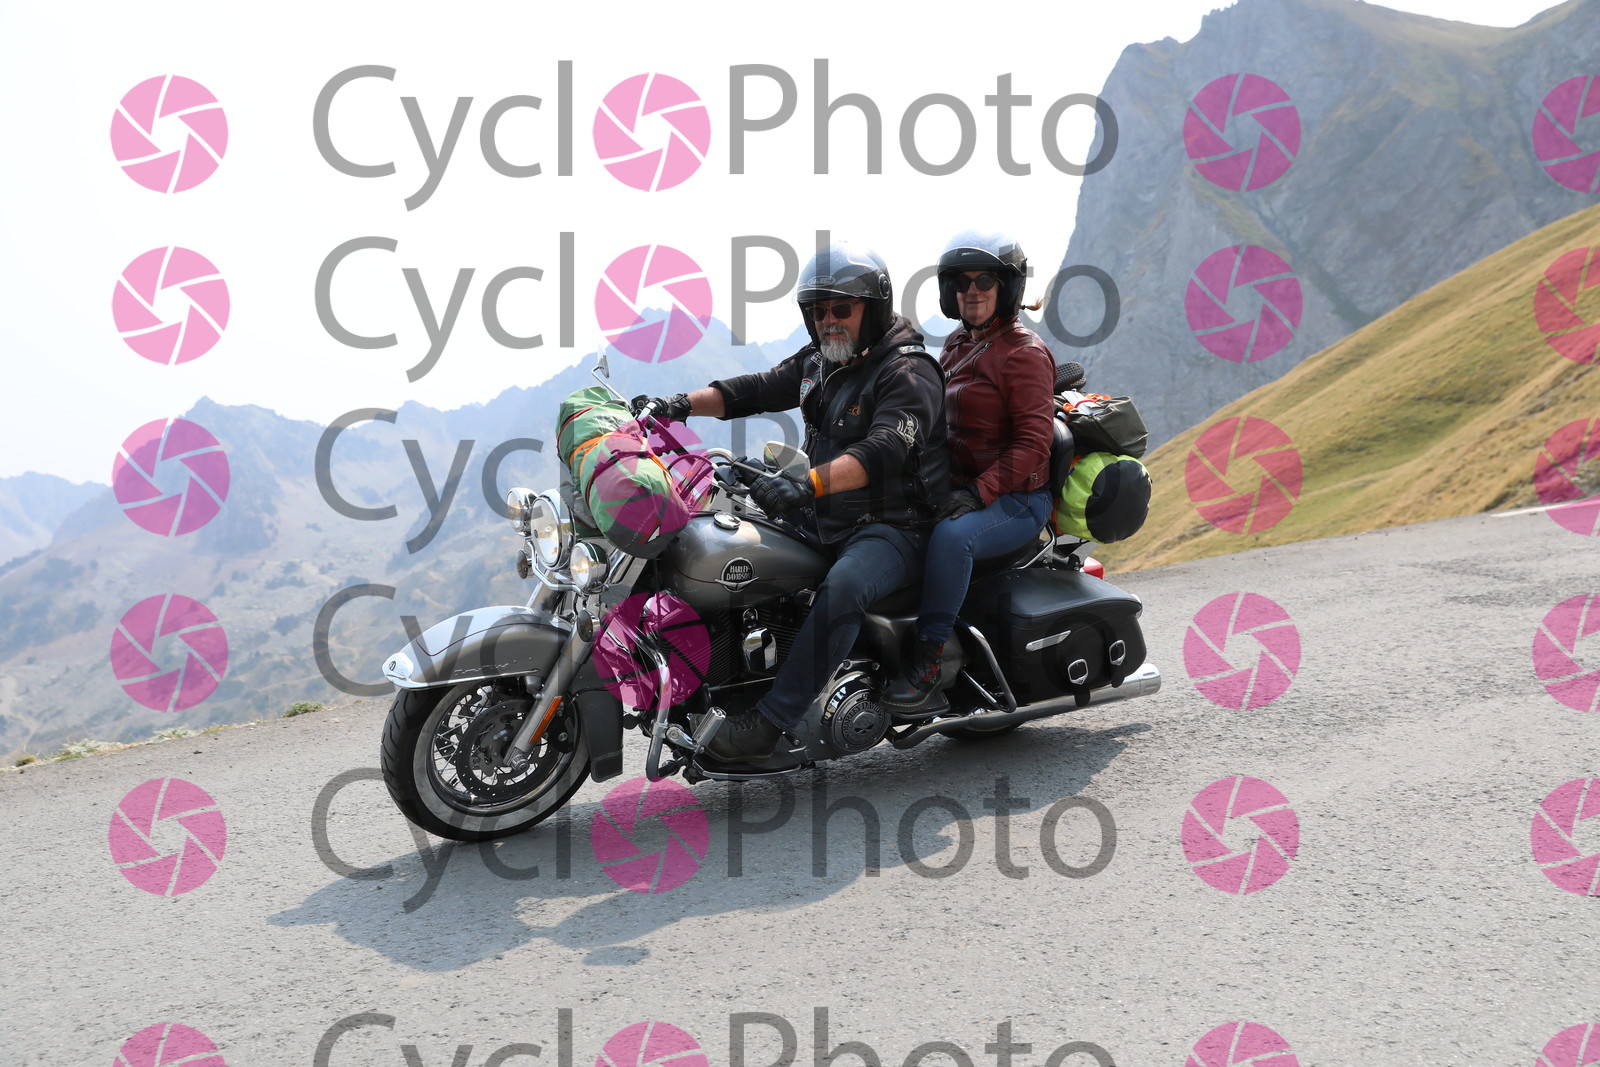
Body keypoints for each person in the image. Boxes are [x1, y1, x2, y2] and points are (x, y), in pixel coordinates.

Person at [631, 241, 950, 765]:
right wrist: (678, 405)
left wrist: (808, 485)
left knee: (845, 586)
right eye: (818, 311)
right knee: (727, 541)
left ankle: (770, 722)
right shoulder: (820, 362)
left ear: (874, 308)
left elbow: (886, 448)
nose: (828, 321)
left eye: (841, 309)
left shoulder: (907, 372)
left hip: (896, 527)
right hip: (826, 514)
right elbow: (754, 390)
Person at [881, 231, 1056, 708]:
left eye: (984, 281)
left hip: (1017, 498)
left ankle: (928, 661)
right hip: (962, 485)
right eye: (961, 283)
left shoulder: (1024, 354)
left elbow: (1034, 443)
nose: (971, 291)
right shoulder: (959, 342)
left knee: (951, 537)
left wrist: (979, 493)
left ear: (1008, 288)